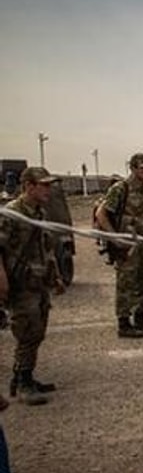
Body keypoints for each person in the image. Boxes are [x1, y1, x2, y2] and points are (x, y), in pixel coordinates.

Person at [0, 167, 65, 406]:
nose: (49, 190)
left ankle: (23, 376)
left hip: (39, 282)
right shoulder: (12, 213)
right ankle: (23, 383)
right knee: (27, 331)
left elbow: (46, 248)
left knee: (37, 331)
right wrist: (2, 278)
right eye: (44, 185)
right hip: (21, 283)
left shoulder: (39, 213)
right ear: (28, 186)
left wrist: (56, 276)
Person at [96, 152, 143, 338]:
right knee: (126, 282)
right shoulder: (121, 189)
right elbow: (101, 214)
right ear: (133, 168)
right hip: (126, 245)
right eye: (142, 168)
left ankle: (140, 316)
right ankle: (124, 322)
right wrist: (114, 237)